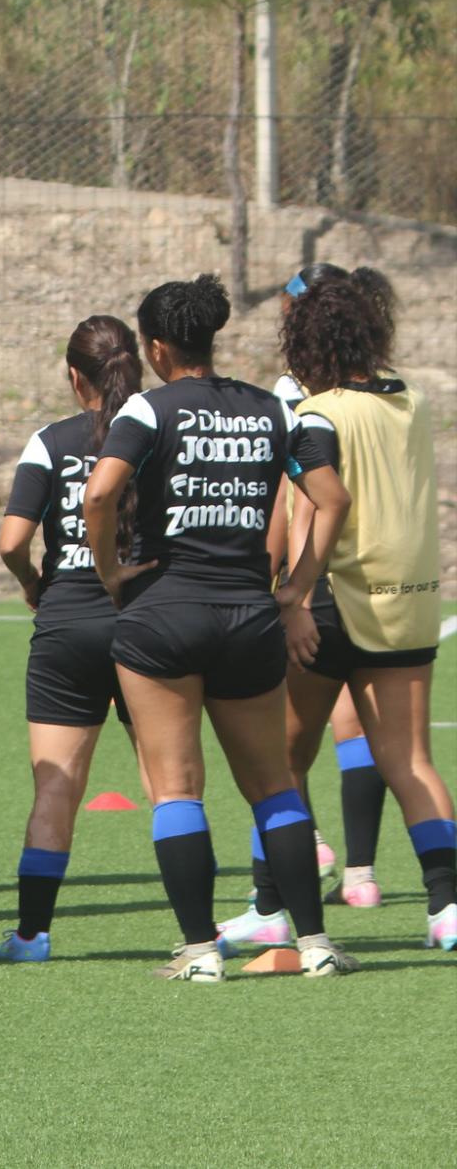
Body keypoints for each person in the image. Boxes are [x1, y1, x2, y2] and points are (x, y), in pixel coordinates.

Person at [83, 273, 354, 981]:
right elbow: (332, 497)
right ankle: (317, 942)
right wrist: (294, 589)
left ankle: (201, 950)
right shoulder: (271, 408)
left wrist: (111, 569)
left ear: (159, 346)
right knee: (272, 785)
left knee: (176, 787)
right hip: (248, 614)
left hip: (164, 612)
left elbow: (101, 491)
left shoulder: (149, 406)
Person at [243, 271, 452, 951]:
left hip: (333, 602)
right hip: (414, 600)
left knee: (279, 757)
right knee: (411, 760)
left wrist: (293, 591)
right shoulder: (412, 400)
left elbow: (328, 504)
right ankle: (447, 908)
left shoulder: (318, 413)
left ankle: (272, 904)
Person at [0, 316, 144, 963]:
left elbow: (11, 541)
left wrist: (32, 583)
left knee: (56, 786)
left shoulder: (49, 441)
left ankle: (31, 935)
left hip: (67, 617)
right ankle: (200, 931)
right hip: (140, 616)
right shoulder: (152, 432)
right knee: (169, 782)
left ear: (74, 376)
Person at [268, 264, 392, 907]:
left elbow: (301, 498)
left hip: (318, 572)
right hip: (375, 576)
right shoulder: (388, 393)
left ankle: (304, 858)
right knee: (354, 726)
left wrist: (287, 582)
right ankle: (362, 873)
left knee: (287, 741)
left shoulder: (299, 395)